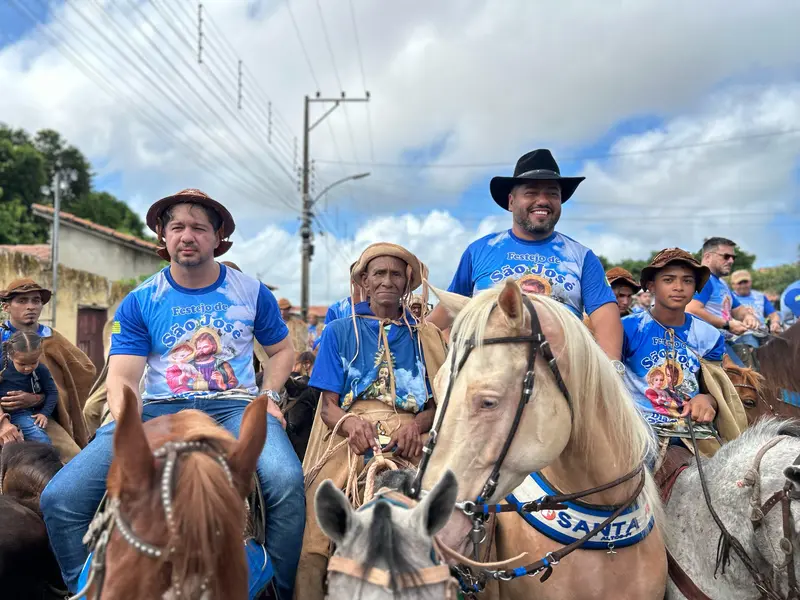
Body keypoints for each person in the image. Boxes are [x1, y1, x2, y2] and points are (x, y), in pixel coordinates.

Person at [40, 188, 304, 599]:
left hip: (233, 407)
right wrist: (125, 420)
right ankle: (88, 589)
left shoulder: (251, 292)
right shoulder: (141, 300)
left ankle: (279, 591)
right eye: (177, 226)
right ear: (162, 235)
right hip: (158, 411)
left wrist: (268, 396)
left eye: (199, 227)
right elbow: (124, 379)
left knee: (286, 482)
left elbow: (282, 351)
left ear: (218, 237)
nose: (187, 236)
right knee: (60, 498)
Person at [295, 242, 447, 600]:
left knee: (453, 519)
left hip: (411, 436)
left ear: (408, 281)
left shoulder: (426, 336)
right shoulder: (337, 331)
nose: (387, 281)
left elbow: (439, 404)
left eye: (396, 274)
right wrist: (350, 424)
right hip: (349, 436)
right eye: (378, 273)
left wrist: (417, 425)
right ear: (364, 279)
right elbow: (327, 407)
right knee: (316, 535)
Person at [426, 149, 623, 367]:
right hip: (490, 374)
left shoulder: (582, 257)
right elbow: (446, 311)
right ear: (511, 202)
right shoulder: (479, 251)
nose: (543, 201)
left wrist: (613, 370)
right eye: (531, 193)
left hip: (562, 378)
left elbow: (606, 318)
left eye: (552, 194)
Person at [621, 249, 722, 442]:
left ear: (696, 288)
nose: (678, 287)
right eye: (668, 280)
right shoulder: (627, 328)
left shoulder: (710, 336)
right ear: (651, 286)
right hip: (638, 432)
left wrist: (707, 400)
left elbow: (716, 390)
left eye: (687, 280)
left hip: (693, 432)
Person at [0, 278, 96, 459]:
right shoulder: (1, 338)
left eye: (36, 301)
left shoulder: (52, 339)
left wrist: (37, 399)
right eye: (22, 301)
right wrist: (3, 423)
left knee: (73, 460)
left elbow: (84, 371)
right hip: (2, 418)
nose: (31, 307)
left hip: (40, 416)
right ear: (6, 307)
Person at [686, 237, 760, 366]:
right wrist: (727, 325)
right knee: (745, 379)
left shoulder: (721, 283)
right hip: (706, 347)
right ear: (708, 256)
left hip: (722, 343)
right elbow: (692, 310)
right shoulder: (704, 279)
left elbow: (737, 309)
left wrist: (748, 316)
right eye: (726, 256)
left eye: (733, 257)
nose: (731, 261)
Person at [0, 330, 59, 444]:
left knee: (41, 440)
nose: (28, 368)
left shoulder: (41, 370)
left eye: (33, 362)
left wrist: (44, 413)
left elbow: (52, 392)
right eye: (22, 364)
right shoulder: (2, 365)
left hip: (20, 412)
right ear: (11, 356)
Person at [730, 269, 781, 344]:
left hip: (763, 333)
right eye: (740, 283)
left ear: (750, 282)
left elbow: (773, 314)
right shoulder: (729, 298)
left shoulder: (760, 296)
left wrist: (775, 322)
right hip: (742, 335)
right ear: (733, 285)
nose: (743, 285)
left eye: (745, 282)